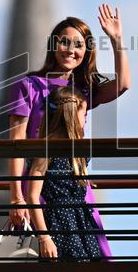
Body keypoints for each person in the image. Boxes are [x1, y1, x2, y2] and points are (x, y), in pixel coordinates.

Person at [7, 5, 131, 257]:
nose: (71, 50)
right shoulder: (28, 85)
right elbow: (16, 144)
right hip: (40, 187)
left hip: (76, 188)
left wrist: (116, 40)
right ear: (54, 44)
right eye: (65, 42)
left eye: (78, 45)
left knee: (90, 262)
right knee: (51, 261)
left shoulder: (83, 89)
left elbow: (123, 85)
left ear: (86, 53)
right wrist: (16, 196)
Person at [26, 87, 103, 260]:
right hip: (59, 222)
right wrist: (44, 237)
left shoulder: (79, 152)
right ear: (71, 114)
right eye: (84, 115)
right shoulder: (47, 150)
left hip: (81, 221)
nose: (85, 120)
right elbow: (32, 196)